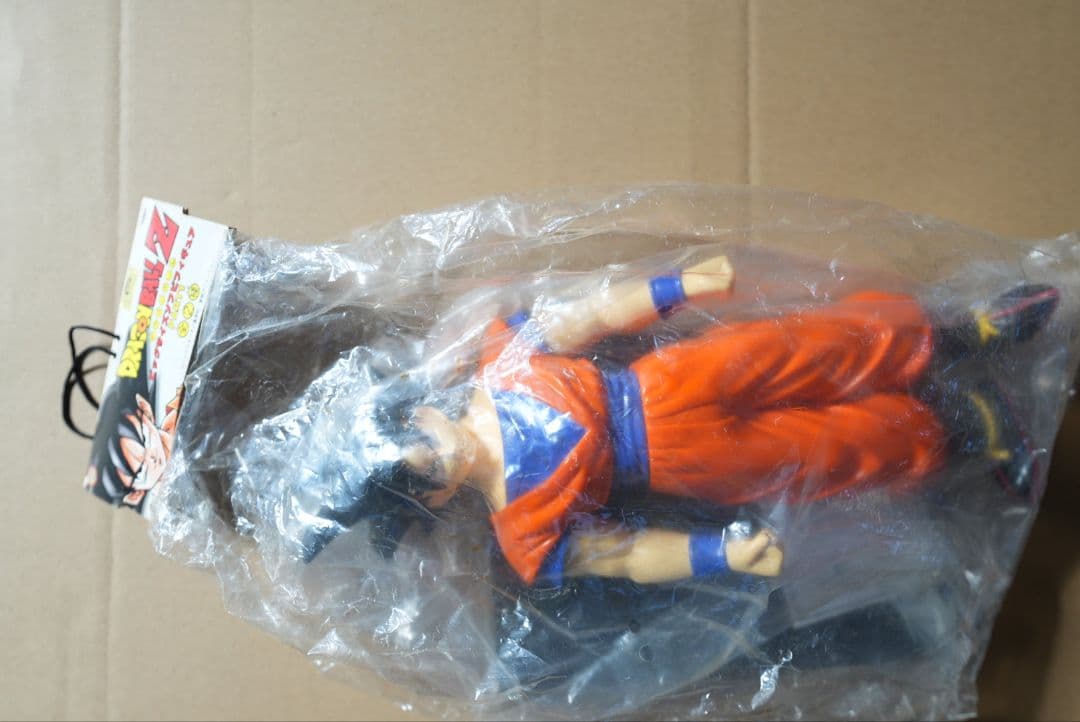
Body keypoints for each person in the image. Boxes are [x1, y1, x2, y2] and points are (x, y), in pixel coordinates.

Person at [299, 256, 1059, 588]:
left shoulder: (502, 361)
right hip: (681, 461)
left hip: (662, 384)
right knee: (823, 453)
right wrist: (716, 555)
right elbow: (625, 554)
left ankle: (956, 336)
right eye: (421, 480)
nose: (432, 459)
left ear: (422, 410)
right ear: (435, 500)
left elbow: (587, 315)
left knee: (805, 347)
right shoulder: (523, 532)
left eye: (417, 445)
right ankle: (960, 423)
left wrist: (673, 287)